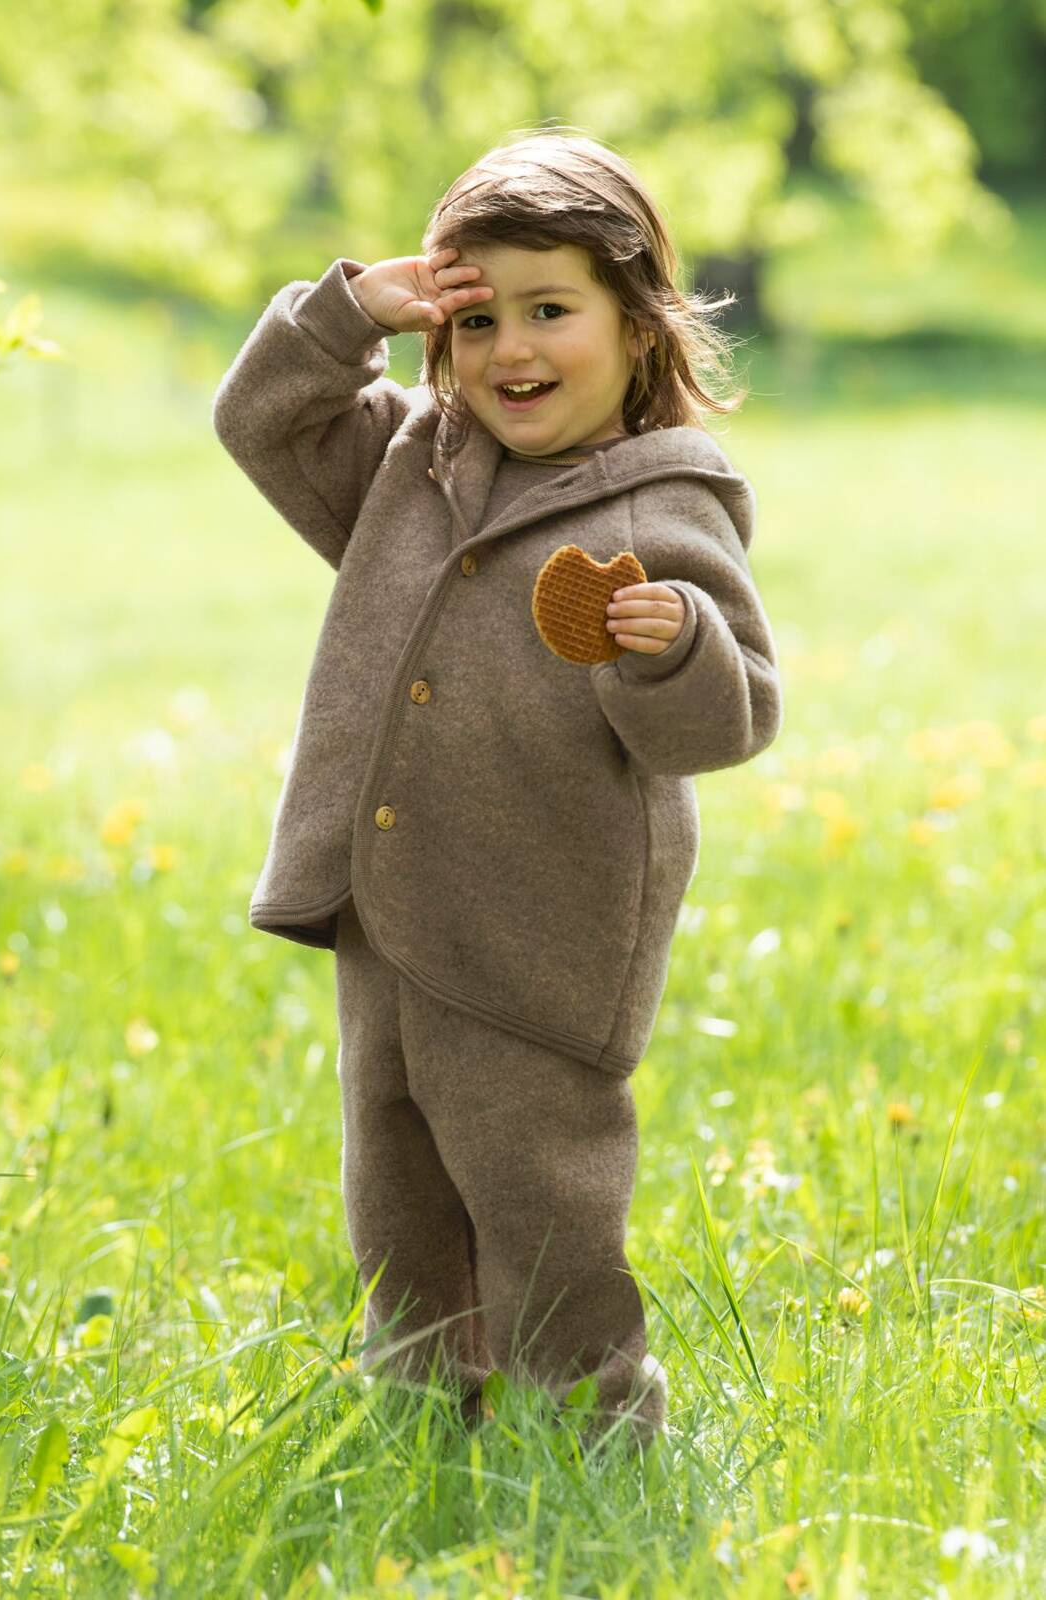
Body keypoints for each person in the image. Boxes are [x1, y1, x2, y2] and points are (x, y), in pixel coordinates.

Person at [211, 128, 783, 1448]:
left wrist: (673, 647)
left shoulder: (664, 506)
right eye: (482, 320)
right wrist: (353, 309)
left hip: (540, 929)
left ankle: (591, 1431)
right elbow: (260, 418)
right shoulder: (409, 468)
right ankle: (422, 1417)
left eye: (551, 312)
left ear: (637, 329)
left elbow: (729, 720)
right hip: (387, 909)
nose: (511, 351)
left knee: (538, 1200)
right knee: (397, 1188)